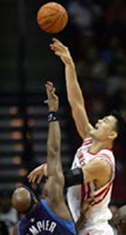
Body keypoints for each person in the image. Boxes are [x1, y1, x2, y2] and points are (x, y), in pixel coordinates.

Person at [28, 38, 126, 235]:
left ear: (112, 134)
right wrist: (69, 64)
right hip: (81, 225)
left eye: (105, 121)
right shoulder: (89, 138)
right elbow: (77, 103)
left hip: (96, 229)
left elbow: (69, 179)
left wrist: (51, 169)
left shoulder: (104, 162)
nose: (99, 121)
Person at [11, 82, 76, 235]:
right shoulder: (52, 201)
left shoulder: (18, 230)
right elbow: (53, 151)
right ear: (35, 198)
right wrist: (52, 111)